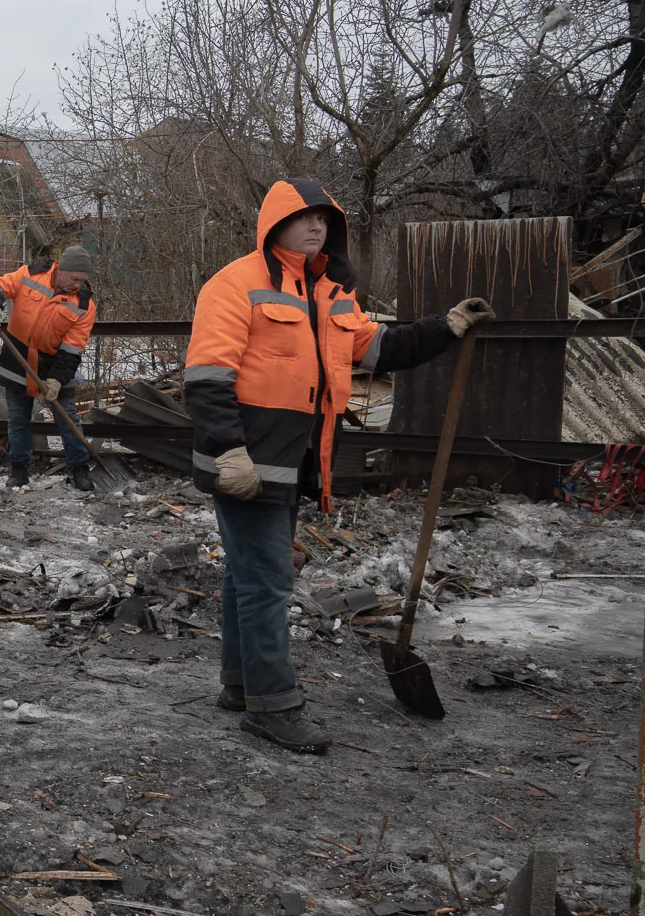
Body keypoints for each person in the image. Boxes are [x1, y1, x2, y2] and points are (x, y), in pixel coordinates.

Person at [187, 178, 492, 752]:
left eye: (325, 219)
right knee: (266, 582)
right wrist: (229, 451)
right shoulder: (235, 284)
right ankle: (273, 705)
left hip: (296, 461)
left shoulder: (329, 293)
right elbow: (207, 377)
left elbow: (376, 349)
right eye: (303, 217)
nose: (316, 226)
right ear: (274, 223)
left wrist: (443, 328)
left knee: (246, 575)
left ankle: (240, 685)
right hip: (247, 460)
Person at [0, 246, 99, 491]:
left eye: (83, 280)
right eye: (74, 278)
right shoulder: (30, 275)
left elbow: (72, 349)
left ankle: (79, 468)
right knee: (18, 420)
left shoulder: (85, 305)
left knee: (68, 420)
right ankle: (19, 471)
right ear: (60, 269)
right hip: (17, 358)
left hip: (54, 364)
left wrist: (55, 381)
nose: (77, 285)